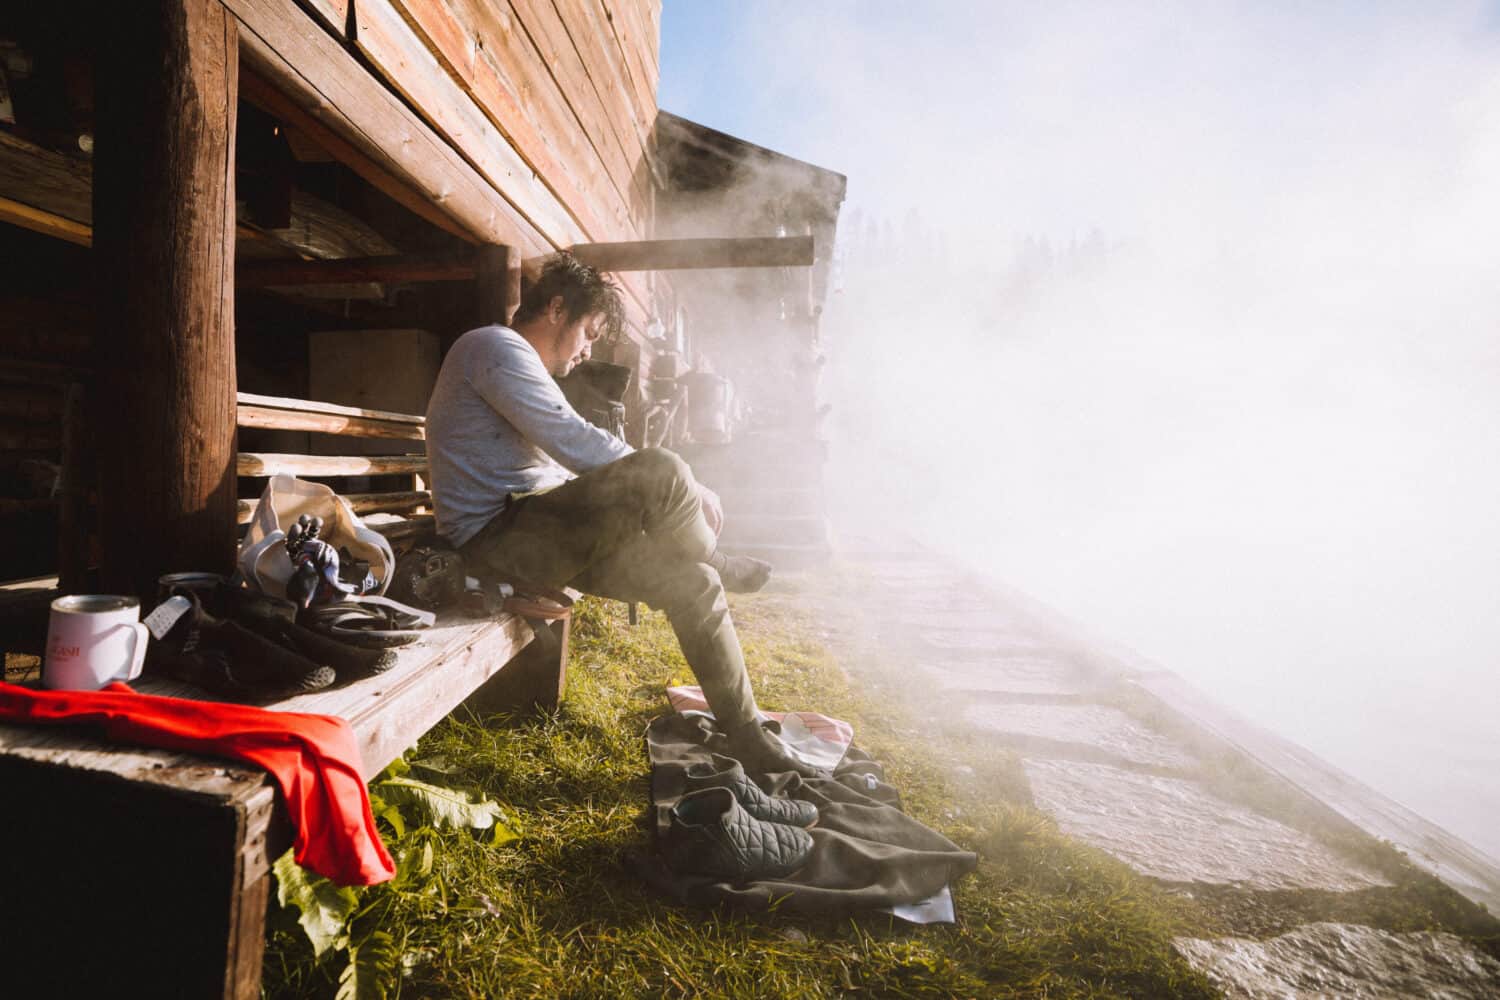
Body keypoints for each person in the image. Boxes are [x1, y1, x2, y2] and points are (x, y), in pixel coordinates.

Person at [425, 253, 817, 777]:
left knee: (691, 580)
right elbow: (572, 439)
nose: (588, 348)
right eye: (588, 331)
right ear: (558, 308)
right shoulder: (494, 346)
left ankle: (746, 735)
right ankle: (717, 556)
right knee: (664, 469)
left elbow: (566, 459)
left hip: (538, 538)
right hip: (494, 544)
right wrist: (684, 486)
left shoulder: (518, 362)